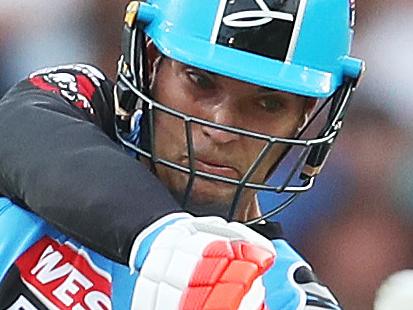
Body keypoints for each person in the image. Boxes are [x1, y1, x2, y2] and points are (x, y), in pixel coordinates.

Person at [0, 0, 364, 309]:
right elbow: (14, 128)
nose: (221, 128)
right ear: (151, 60)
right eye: (200, 81)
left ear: (305, 117)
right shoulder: (78, 111)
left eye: (268, 103)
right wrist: (168, 241)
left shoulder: (287, 299)